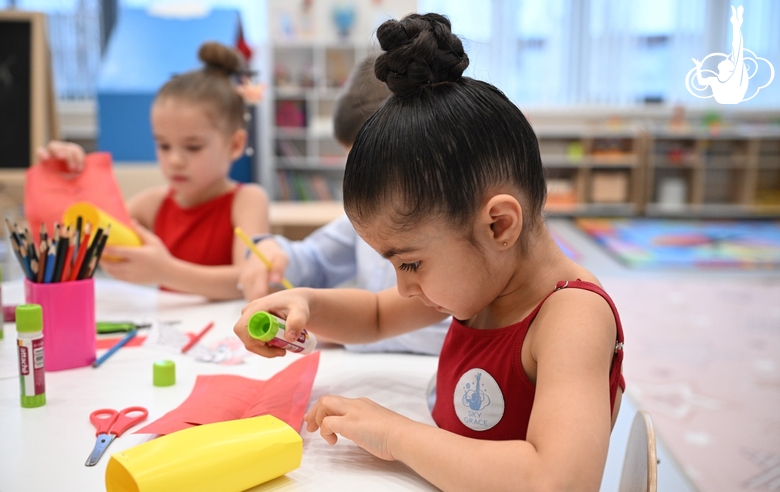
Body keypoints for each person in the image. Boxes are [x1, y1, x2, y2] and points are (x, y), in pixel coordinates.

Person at [234, 13, 625, 491]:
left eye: (411, 263)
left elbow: (556, 481)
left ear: (498, 225)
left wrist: (396, 434)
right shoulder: (486, 282)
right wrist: (306, 306)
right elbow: (376, 315)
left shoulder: (572, 316)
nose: (402, 286)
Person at [238, 54, 448, 355]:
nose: (362, 184)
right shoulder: (362, 219)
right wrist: (270, 250)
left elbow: (444, 331)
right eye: (353, 168)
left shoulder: (457, 235)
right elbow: (320, 264)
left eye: (373, 170)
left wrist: (342, 330)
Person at [35, 42, 269, 300]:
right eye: (163, 145)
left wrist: (167, 272)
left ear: (235, 144)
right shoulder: (152, 204)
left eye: (192, 147)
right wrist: (73, 177)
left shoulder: (247, 201)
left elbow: (249, 279)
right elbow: (81, 238)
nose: (175, 160)